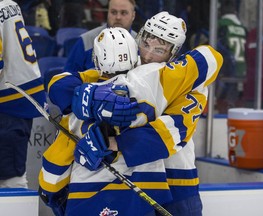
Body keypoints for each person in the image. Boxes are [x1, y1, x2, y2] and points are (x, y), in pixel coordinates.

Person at [39, 13, 223, 216]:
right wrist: (87, 98)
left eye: (159, 50)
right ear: (139, 37)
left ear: (174, 54)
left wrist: (108, 143)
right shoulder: (124, 67)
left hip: (178, 181)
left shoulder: (187, 84)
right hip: (141, 181)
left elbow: (172, 132)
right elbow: (59, 82)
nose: (148, 55)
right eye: (146, 44)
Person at [0, 0, 46, 188]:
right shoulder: (9, 3)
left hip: (8, 105)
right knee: (12, 176)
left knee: (11, 181)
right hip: (20, 98)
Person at [63, 0, 136, 73]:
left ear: (133, 16)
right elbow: (68, 77)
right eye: (113, 12)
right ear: (108, 13)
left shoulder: (140, 44)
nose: (118, 17)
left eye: (124, 13)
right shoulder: (86, 41)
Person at [215, 0, 247, 113]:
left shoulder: (220, 25)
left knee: (224, 107)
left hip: (227, 73)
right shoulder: (243, 28)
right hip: (243, 71)